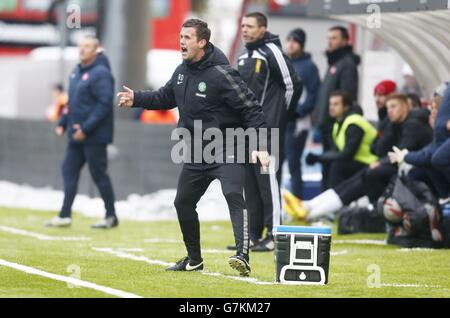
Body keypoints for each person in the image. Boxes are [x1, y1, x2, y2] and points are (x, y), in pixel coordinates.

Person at [117, 19, 270, 276]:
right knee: (183, 202)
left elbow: (252, 109)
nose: (181, 41)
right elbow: (165, 97)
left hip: (227, 144)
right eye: (181, 37)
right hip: (198, 150)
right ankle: (194, 259)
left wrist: (260, 144)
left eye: (187, 37)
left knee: (233, 194)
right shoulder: (181, 71)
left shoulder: (222, 74)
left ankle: (242, 255)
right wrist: (137, 99)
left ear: (202, 42)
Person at [290, 93, 433, 222]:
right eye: (388, 107)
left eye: (393, 106)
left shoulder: (412, 124)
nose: (389, 110)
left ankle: (315, 211)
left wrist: (381, 160)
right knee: (356, 176)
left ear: (406, 106)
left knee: (365, 175)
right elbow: (380, 147)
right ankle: (310, 206)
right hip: (387, 164)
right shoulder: (395, 124)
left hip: (411, 170)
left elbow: (400, 153)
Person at [235, 12, 302, 252]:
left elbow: (293, 84)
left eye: (250, 26)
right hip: (246, 130)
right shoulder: (243, 55)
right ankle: (253, 235)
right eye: (243, 25)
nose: (244, 30)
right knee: (250, 183)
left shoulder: (271, 51)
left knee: (267, 182)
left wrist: (280, 116)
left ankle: (275, 235)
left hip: (267, 129)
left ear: (263, 29)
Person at [46, 36, 118, 229]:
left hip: (93, 136)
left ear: (96, 50)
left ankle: (111, 215)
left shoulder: (101, 73)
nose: (82, 50)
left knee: (98, 174)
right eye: (81, 46)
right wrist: (63, 122)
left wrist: (86, 129)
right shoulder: (76, 71)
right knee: (68, 169)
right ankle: (64, 215)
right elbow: (72, 102)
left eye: (87, 46)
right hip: (75, 135)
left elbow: (105, 105)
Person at [313, 26, 360, 190]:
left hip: (335, 125)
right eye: (329, 38)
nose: (330, 41)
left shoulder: (346, 65)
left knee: (333, 168)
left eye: (334, 38)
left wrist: (335, 119)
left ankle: (330, 206)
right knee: (327, 166)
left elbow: (346, 96)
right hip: (326, 123)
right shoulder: (334, 63)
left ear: (345, 40)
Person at [305, 91, 378, 189]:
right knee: (329, 162)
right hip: (357, 161)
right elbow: (336, 151)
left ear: (346, 107)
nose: (331, 107)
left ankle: (334, 200)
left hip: (371, 162)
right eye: (330, 104)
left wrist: (318, 158)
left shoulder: (354, 122)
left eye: (336, 104)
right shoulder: (338, 124)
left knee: (337, 165)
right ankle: (326, 197)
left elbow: (347, 154)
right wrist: (319, 158)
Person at [284, 28, 321, 199]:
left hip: (299, 123)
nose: (290, 44)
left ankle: (297, 200)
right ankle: (277, 203)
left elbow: (314, 94)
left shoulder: (309, 67)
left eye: (294, 41)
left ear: (301, 44)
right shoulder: (283, 63)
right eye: (288, 40)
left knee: (293, 163)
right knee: (275, 163)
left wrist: (299, 112)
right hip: (282, 121)